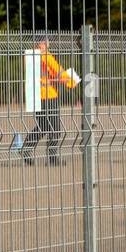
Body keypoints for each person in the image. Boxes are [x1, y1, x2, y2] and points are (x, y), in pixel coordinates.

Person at [22, 35, 79, 166]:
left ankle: (26, 148)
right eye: (47, 40)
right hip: (47, 95)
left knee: (43, 126)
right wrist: (72, 81)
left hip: (34, 95)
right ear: (42, 42)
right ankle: (52, 158)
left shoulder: (30, 55)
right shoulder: (46, 56)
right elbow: (58, 73)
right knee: (55, 128)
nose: (48, 43)